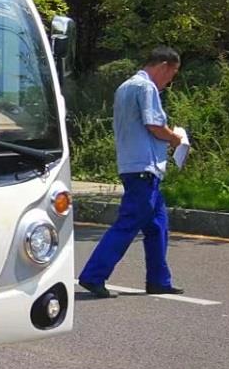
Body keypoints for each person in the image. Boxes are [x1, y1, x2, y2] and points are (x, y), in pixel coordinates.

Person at [78, 48, 185, 298]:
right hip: (143, 168)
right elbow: (154, 125)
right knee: (128, 223)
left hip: (135, 166)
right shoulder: (146, 88)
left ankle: (159, 280)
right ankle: (93, 275)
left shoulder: (125, 86)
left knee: (158, 225)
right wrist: (175, 139)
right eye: (172, 74)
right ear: (164, 66)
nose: (170, 81)